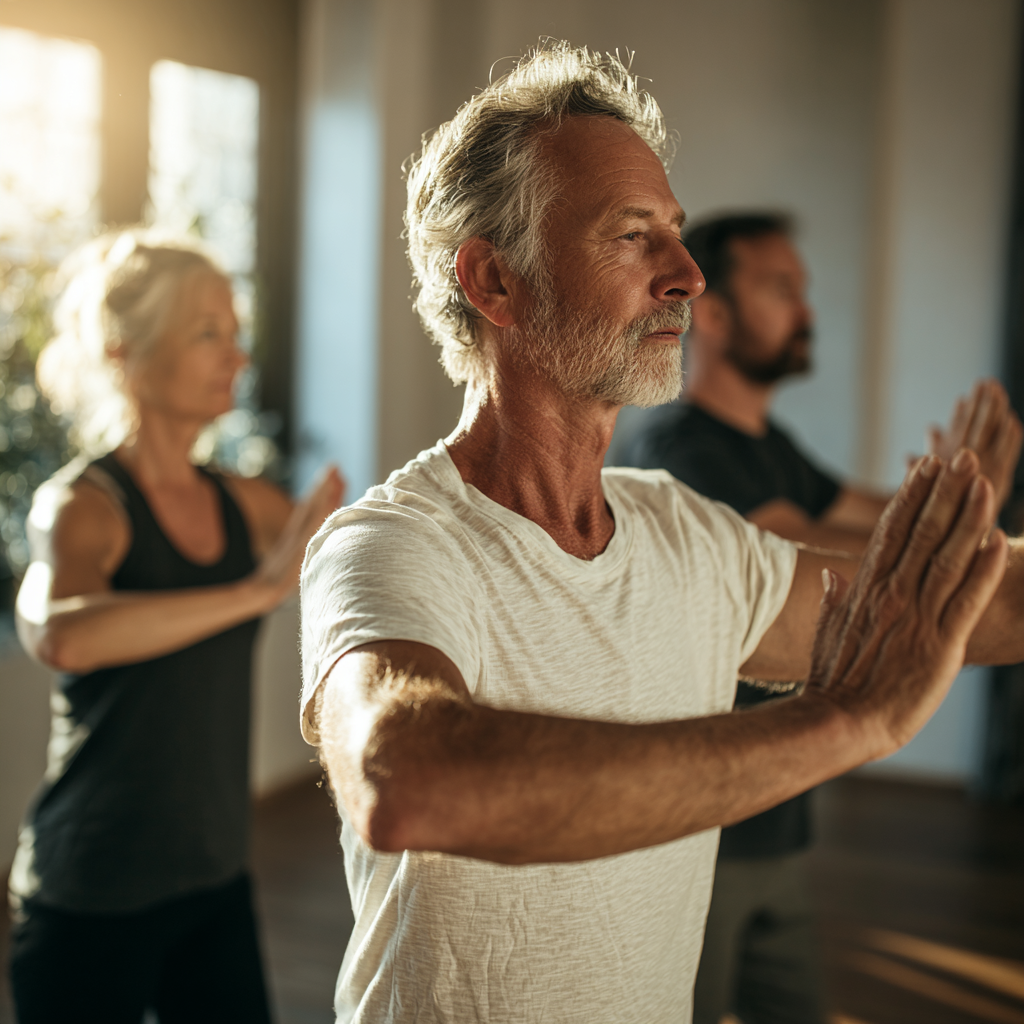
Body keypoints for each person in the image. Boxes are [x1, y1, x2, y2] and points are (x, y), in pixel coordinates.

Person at [298, 42, 1024, 1024]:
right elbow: (405, 779)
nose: (685, 275)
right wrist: (842, 719)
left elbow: (964, 599)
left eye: (675, 235)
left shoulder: (688, 537)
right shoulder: (389, 544)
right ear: (494, 282)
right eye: (632, 235)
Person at [624, 212, 1023, 1024]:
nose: (806, 311)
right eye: (781, 289)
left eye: (803, 291)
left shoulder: (772, 444)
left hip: (779, 820)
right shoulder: (677, 447)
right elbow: (803, 551)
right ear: (717, 313)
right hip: (697, 833)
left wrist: (963, 497)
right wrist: (949, 525)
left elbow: (879, 515)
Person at [9, 231, 343, 1024]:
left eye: (235, 332)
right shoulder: (83, 506)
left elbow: (344, 547)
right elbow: (65, 636)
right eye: (208, 333)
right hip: (90, 890)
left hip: (214, 878)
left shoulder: (240, 500)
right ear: (127, 354)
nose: (236, 355)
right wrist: (259, 590)